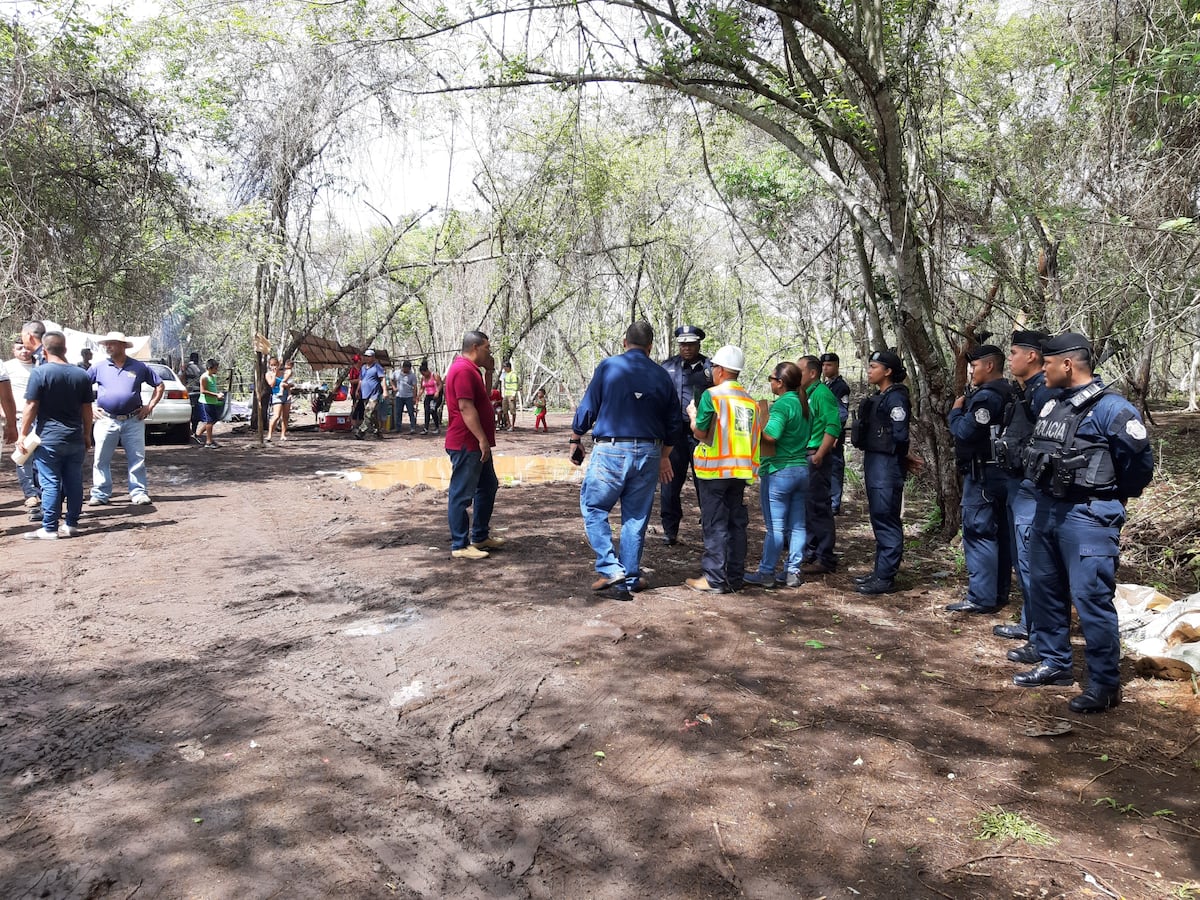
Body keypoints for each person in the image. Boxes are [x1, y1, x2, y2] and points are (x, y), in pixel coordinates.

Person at [1012, 333, 1154, 713]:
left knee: (1091, 600)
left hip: (1089, 517)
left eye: (1047, 364)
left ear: (1068, 365)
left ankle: (1106, 684)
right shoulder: (1052, 407)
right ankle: (1056, 663)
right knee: (1045, 590)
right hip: (1047, 511)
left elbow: (1139, 468)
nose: (1042, 370)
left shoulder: (1113, 409)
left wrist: (1105, 497)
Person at [570, 321, 683, 600]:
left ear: (624, 342)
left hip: (611, 449)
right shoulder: (661, 375)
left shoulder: (609, 367)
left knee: (594, 507)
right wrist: (665, 456)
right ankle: (629, 577)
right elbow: (674, 422)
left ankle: (611, 570)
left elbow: (588, 406)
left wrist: (576, 437)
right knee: (636, 517)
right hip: (649, 452)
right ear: (650, 347)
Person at [992, 330, 1059, 663]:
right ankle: (1029, 624)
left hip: (1032, 488)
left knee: (1034, 564)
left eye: (1015, 352)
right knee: (1023, 561)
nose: (1011, 358)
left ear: (1032, 356)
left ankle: (1041, 639)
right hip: (1017, 484)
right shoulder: (1025, 392)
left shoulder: (1043, 393)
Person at [945, 345, 1015, 615]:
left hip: (984, 475)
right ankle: (997, 593)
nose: (971, 371)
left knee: (979, 532)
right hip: (1001, 474)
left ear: (988, 366)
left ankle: (982, 597)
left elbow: (965, 431)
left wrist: (956, 410)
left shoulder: (987, 397)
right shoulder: (1010, 391)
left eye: (974, 366)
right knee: (1000, 534)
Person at [685, 344, 761, 594]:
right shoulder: (751, 402)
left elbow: (701, 432)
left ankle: (714, 578)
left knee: (715, 524)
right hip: (740, 472)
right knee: (736, 524)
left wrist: (693, 416)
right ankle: (735, 577)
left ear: (720, 370)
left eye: (714, 366)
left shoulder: (712, 396)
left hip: (714, 471)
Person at [16, 331, 94, 539]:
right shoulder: (81, 375)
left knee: (50, 482)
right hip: (75, 437)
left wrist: (22, 434)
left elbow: (32, 405)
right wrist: (87, 434)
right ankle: (71, 524)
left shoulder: (40, 373)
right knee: (74, 481)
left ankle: (49, 527)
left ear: (44, 349)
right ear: (65, 349)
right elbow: (87, 409)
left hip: (49, 439)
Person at [850, 349, 911, 595]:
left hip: (887, 467)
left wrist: (902, 457)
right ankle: (879, 571)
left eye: (874, 367)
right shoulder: (881, 397)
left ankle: (885, 577)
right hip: (876, 464)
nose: (869, 370)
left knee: (886, 518)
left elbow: (900, 435)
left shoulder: (896, 399)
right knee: (878, 517)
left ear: (887, 371)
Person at [745, 360, 810, 588]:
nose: (770, 383)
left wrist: (757, 423)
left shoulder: (782, 405)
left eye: (771, 379)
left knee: (775, 527)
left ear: (780, 383)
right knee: (798, 525)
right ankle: (793, 572)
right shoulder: (802, 404)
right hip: (801, 469)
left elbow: (771, 436)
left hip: (779, 471)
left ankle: (766, 572)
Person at [444, 331, 502, 559]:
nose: (490, 352)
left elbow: (484, 397)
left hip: (477, 444)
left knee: (488, 486)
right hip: (467, 443)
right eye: (487, 348)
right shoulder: (462, 370)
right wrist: (482, 439)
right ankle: (460, 545)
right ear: (476, 347)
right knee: (461, 494)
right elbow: (466, 407)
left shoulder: (473, 371)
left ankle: (480, 536)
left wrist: (489, 372)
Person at [89, 331, 163, 507]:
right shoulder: (98, 367)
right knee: (101, 458)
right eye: (106, 344)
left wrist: (150, 406)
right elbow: (80, 387)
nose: (108, 346)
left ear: (123, 346)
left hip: (133, 420)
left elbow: (159, 385)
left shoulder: (139, 367)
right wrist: (90, 407)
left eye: (112, 343)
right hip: (106, 419)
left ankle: (138, 492)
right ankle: (100, 493)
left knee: (137, 457)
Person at [659, 324, 713, 546]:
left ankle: (709, 529)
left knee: (705, 482)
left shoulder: (711, 368)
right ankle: (670, 531)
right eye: (683, 344)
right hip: (674, 434)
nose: (687, 348)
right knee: (670, 483)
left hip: (701, 434)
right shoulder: (667, 367)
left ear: (698, 344)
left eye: (690, 344)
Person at [798, 354, 843, 574]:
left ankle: (826, 557)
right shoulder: (806, 393)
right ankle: (811, 551)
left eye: (801, 371)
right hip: (805, 455)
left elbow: (833, 426)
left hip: (816, 456)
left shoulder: (823, 394)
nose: (797, 375)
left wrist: (820, 454)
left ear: (812, 373)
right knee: (808, 506)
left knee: (818, 506)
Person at [5, 342, 38, 511]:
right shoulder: (6, 367)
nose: (24, 351)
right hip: (19, 417)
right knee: (23, 456)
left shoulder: (40, 365)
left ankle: (47, 491)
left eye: (26, 347)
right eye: (19, 348)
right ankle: (30, 494)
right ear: (13, 350)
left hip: (42, 418)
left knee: (42, 457)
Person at [821, 353, 851, 514]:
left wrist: (834, 434)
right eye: (824, 366)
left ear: (837, 366)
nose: (825, 368)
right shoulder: (825, 385)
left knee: (835, 467)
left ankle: (834, 503)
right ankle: (827, 500)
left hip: (833, 435)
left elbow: (841, 413)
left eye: (829, 365)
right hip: (823, 433)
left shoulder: (841, 387)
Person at [353, 350, 389, 439]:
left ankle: (361, 431)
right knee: (372, 415)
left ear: (373, 357)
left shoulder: (377, 367)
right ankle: (377, 432)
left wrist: (385, 391)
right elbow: (361, 380)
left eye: (369, 356)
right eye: (365, 356)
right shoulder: (363, 368)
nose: (366, 358)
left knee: (368, 412)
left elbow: (382, 379)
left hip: (375, 394)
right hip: (365, 394)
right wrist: (357, 390)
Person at [198, 359, 225, 448]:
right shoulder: (204, 377)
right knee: (209, 421)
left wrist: (218, 395)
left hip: (213, 402)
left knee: (214, 419)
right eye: (215, 368)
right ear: (210, 368)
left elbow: (212, 388)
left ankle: (198, 434)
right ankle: (208, 442)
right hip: (206, 402)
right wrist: (216, 395)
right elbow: (203, 391)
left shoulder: (213, 377)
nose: (216, 370)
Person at [266, 359, 295, 442]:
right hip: (277, 395)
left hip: (286, 395)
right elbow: (271, 384)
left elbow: (290, 382)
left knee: (285, 416)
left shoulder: (284, 373)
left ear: (278, 365)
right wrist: (275, 374)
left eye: (275, 365)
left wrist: (288, 385)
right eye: (272, 365)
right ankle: (269, 435)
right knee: (276, 416)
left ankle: (283, 435)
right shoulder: (268, 374)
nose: (273, 367)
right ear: (269, 365)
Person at [180, 351, 204, 440]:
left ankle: (189, 430)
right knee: (195, 413)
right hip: (198, 393)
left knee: (189, 412)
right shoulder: (202, 368)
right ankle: (193, 430)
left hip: (189, 393)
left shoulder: (186, 368)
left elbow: (181, 378)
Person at [393, 360, 419, 435]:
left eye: (408, 369)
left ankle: (413, 428)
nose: (407, 370)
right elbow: (391, 379)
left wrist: (414, 397)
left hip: (409, 396)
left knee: (411, 412)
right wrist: (394, 387)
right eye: (405, 368)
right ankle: (398, 428)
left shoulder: (412, 375)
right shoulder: (396, 373)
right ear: (403, 367)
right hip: (399, 396)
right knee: (398, 412)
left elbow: (415, 386)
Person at [420, 362, 442, 435]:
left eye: (424, 373)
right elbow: (422, 388)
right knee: (426, 411)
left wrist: (437, 392)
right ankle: (425, 428)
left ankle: (437, 427)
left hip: (436, 396)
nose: (423, 375)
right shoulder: (423, 378)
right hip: (428, 396)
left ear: (427, 371)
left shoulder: (434, 375)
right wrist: (418, 396)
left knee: (432, 410)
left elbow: (440, 384)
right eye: (422, 374)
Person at [500, 360, 519, 431]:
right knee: (504, 410)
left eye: (505, 367)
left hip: (511, 394)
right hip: (506, 394)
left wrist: (513, 395)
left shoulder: (513, 374)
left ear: (508, 367)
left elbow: (515, 385)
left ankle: (513, 426)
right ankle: (509, 424)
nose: (504, 368)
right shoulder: (505, 374)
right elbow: (502, 382)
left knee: (512, 410)